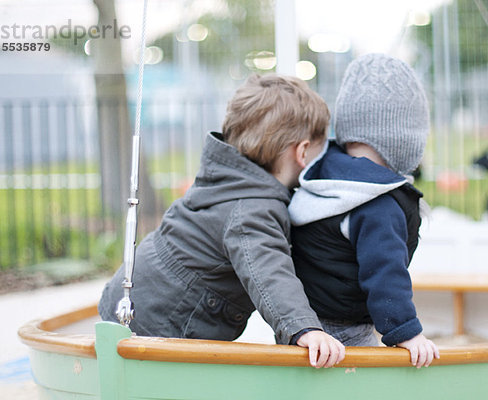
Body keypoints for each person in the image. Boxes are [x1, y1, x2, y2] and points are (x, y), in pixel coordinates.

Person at [98, 74, 345, 368]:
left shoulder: (226, 179)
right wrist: (304, 328)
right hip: (163, 322)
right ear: (303, 152)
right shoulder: (252, 208)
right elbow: (268, 272)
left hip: (134, 293)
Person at [288, 54, 440, 368]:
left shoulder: (323, 176)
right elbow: (385, 273)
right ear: (405, 139)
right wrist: (405, 332)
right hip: (343, 331)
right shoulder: (378, 201)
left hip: (302, 323)